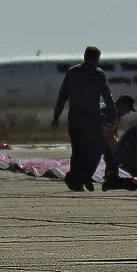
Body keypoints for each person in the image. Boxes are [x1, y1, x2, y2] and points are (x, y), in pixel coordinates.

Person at [51, 47, 114, 192]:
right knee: (97, 148)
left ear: (85, 56)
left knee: (78, 151)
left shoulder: (72, 72)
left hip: (75, 119)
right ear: (97, 58)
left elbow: (62, 97)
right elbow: (107, 97)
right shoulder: (98, 74)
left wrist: (56, 116)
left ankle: (75, 180)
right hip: (93, 118)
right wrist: (113, 116)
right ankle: (85, 175)